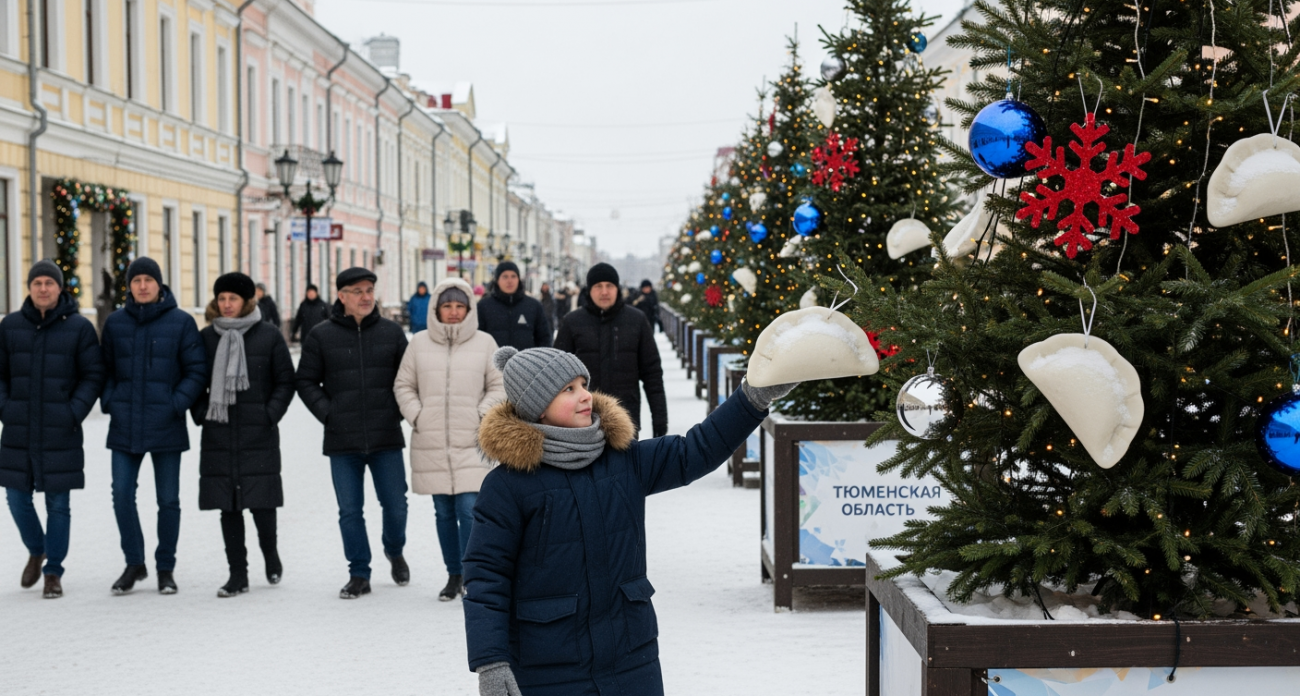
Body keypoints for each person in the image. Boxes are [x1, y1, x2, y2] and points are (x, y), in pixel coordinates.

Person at [463, 347, 797, 695]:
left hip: (632, 659)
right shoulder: (508, 486)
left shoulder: (624, 460)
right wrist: (491, 660)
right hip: (549, 669)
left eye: (583, 384)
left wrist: (751, 399)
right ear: (538, 407)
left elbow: (696, 449)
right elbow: (486, 576)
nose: (585, 395)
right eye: (568, 389)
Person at [295, 267, 411, 599]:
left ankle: (394, 549)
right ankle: (359, 572)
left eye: (369, 290)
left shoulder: (391, 333)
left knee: (396, 505)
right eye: (357, 291)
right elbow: (305, 381)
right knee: (350, 511)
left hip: (385, 436)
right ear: (342, 296)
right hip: (342, 440)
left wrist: (395, 412)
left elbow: (408, 380)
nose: (365, 297)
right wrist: (329, 413)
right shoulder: (321, 335)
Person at [393, 278, 504, 602]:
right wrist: (418, 416)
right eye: (447, 306)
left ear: (469, 310)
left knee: (469, 510)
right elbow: (403, 385)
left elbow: (499, 385)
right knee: (443, 512)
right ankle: (453, 574)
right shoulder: (418, 343)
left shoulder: (485, 343)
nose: (453, 312)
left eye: (459, 306)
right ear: (436, 309)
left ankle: (471, 575)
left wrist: (481, 414)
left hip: (472, 441)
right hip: (432, 442)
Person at [100, 257, 207, 595]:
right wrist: (111, 400)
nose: (143, 286)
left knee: (168, 500)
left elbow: (196, 371)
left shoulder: (181, 322)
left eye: (149, 280)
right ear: (129, 286)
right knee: (121, 494)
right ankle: (134, 563)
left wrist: (175, 404)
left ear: (159, 284)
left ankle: (165, 567)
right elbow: (104, 370)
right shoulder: (115, 323)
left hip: (166, 423)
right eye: (136, 280)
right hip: (125, 422)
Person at [0, 261, 106, 599]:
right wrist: (5, 408)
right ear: (29, 287)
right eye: (38, 283)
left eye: (49, 282)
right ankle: (37, 548)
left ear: (60, 288)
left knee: (58, 503)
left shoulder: (79, 328)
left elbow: (93, 376)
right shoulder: (10, 326)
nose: (43, 288)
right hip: (18, 429)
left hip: (60, 429)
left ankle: (53, 571)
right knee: (16, 497)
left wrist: (73, 411)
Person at [191, 273, 295, 598]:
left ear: (247, 301)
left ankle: (270, 554)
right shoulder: (206, 337)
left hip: (258, 433)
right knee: (229, 507)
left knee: (262, 504)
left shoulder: (269, 335)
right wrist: (202, 412)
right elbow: (193, 378)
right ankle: (238, 574)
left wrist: (269, 414)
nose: (226, 304)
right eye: (221, 298)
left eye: (233, 299)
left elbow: (286, 381)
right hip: (219, 432)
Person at [555, 263, 668, 438]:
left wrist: (660, 418)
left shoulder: (636, 320)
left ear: (617, 288)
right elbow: (556, 376)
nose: (604, 292)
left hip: (625, 420)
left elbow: (652, 374)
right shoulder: (572, 322)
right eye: (598, 286)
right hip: (582, 422)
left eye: (609, 286)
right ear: (589, 290)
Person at [476, 261, 551, 350]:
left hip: (525, 358)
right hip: (493, 358)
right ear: (497, 280)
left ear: (518, 279)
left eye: (513, 276)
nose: (510, 281)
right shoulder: (484, 306)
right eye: (505, 276)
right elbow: (478, 339)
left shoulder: (533, 306)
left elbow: (544, 339)